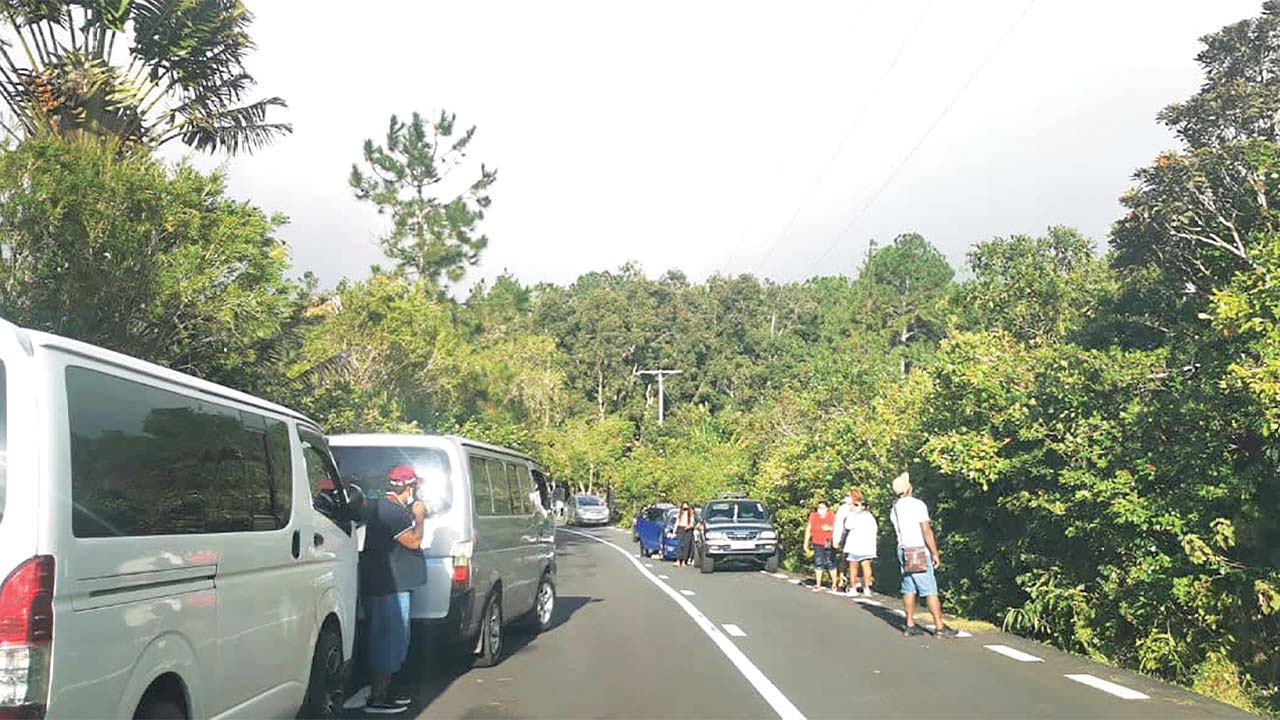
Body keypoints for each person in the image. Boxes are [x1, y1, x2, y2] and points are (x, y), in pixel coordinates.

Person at [361, 464, 432, 713]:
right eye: (415, 486)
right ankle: (378, 696)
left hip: (390, 584)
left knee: (393, 639)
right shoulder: (394, 512)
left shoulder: (387, 508)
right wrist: (420, 516)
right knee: (389, 639)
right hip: (390, 586)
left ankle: (385, 691)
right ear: (408, 487)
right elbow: (413, 541)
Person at [888, 472, 957, 638]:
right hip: (917, 549)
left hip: (903, 550)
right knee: (930, 589)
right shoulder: (918, 505)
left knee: (909, 586)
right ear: (909, 487)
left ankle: (910, 623)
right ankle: (939, 626)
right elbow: (926, 531)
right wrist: (935, 553)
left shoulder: (895, 508)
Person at [838, 488, 878, 597]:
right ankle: (866, 588)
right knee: (866, 565)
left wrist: (851, 513)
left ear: (863, 506)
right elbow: (875, 530)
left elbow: (847, 526)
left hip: (855, 545)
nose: (853, 507)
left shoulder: (853, 516)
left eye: (856, 505)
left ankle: (853, 588)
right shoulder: (870, 517)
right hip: (867, 546)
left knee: (854, 566)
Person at [803, 501, 837, 592]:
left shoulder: (832, 516)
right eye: (819, 508)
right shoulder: (813, 516)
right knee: (818, 562)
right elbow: (809, 528)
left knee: (830, 562)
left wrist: (829, 528)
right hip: (817, 541)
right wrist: (806, 542)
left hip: (828, 541)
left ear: (827, 509)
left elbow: (837, 527)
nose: (820, 510)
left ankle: (834, 584)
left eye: (823, 508)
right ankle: (818, 584)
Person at [674, 501, 697, 567]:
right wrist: (674, 531)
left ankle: (684, 561)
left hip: (688, 530)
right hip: (680, 529)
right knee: (679, 545)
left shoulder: (691, 514)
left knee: (686, 546)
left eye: (686, 509)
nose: (685, 510)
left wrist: (688, 526)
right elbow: (677, 522)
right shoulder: (680, 514)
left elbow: (692, 523)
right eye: (683, 509)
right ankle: (678, 560)